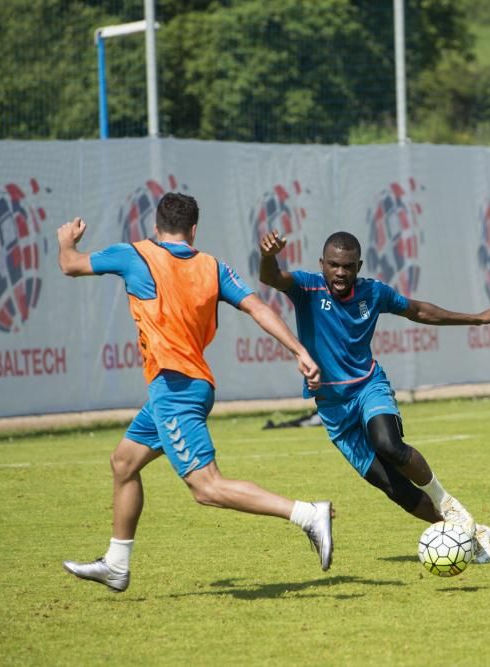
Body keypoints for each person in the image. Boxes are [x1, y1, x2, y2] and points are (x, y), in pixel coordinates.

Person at [57, 193, 334, 593]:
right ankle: (116, 563)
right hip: (185, 386)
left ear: (156, 227)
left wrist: (67, 240)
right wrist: (300, 351)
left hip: (175, 388)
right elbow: (259, 308)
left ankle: (307, 514)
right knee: (123, 463)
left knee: (207, 488)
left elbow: (70, 265)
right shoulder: (213, 266)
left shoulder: (134, 253)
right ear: (193, 230)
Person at [258, 230, 490, 563]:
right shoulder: (307, 287)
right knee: (393, 488)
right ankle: (466, 534)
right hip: (334, 409)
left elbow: (418, 310)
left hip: (368, 386)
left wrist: (475, 319)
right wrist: (267, 255)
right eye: (333, 265)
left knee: (387, 444)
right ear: (322, 264)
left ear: (358, 266)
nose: (340, 273)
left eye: (348, 266)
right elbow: (271, 276)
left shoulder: (373, 293)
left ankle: (447, 502)